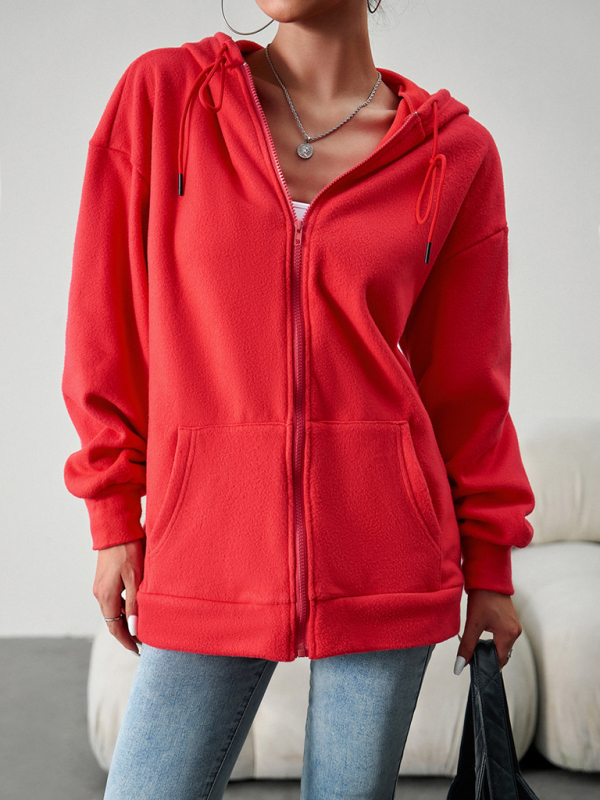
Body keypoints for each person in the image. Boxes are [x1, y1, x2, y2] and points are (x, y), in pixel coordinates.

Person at [61, 0, 536, 797]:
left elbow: (469, 388)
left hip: (387, 558)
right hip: (207, 547)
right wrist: (113, 517)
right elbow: (103, 328)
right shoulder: (167, 98)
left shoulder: (454, 156)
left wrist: (490, 565)